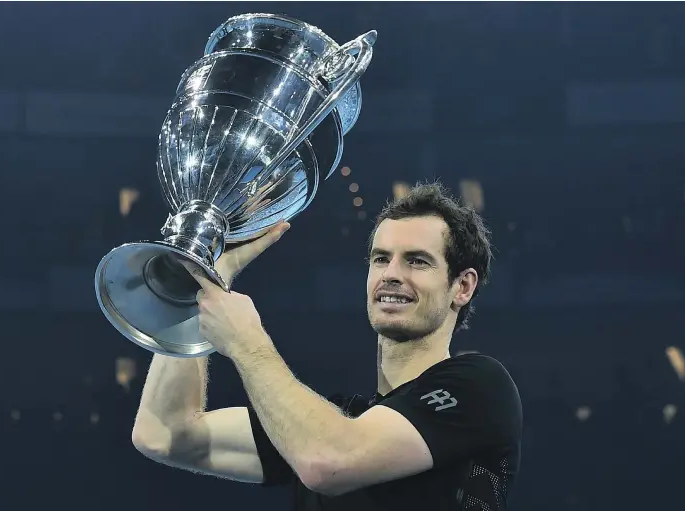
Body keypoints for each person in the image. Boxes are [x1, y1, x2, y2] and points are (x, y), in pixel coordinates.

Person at [132, 182, 522, 510]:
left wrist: (246, 342)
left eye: (417, 261)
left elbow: (329, 461)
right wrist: (203, 278)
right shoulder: (334, 422)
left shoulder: (480, 387)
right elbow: (165, 434)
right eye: (381, 258)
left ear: (463, 286)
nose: (391, 274)